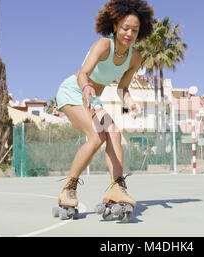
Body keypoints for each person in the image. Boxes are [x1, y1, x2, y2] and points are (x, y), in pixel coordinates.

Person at [55, 0, 154, 218]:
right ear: (116, 25)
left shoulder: (134, 57)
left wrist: (131, 103)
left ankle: (117, 187)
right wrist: (88, 87)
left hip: (93, 99)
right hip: (74, 91)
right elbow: (83, 73)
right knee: (96, 135)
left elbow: (123, 88)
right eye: (125, 27)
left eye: (135, 30)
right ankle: (68, 189)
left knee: (114, 133)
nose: (129, 33)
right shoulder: (103, 45)